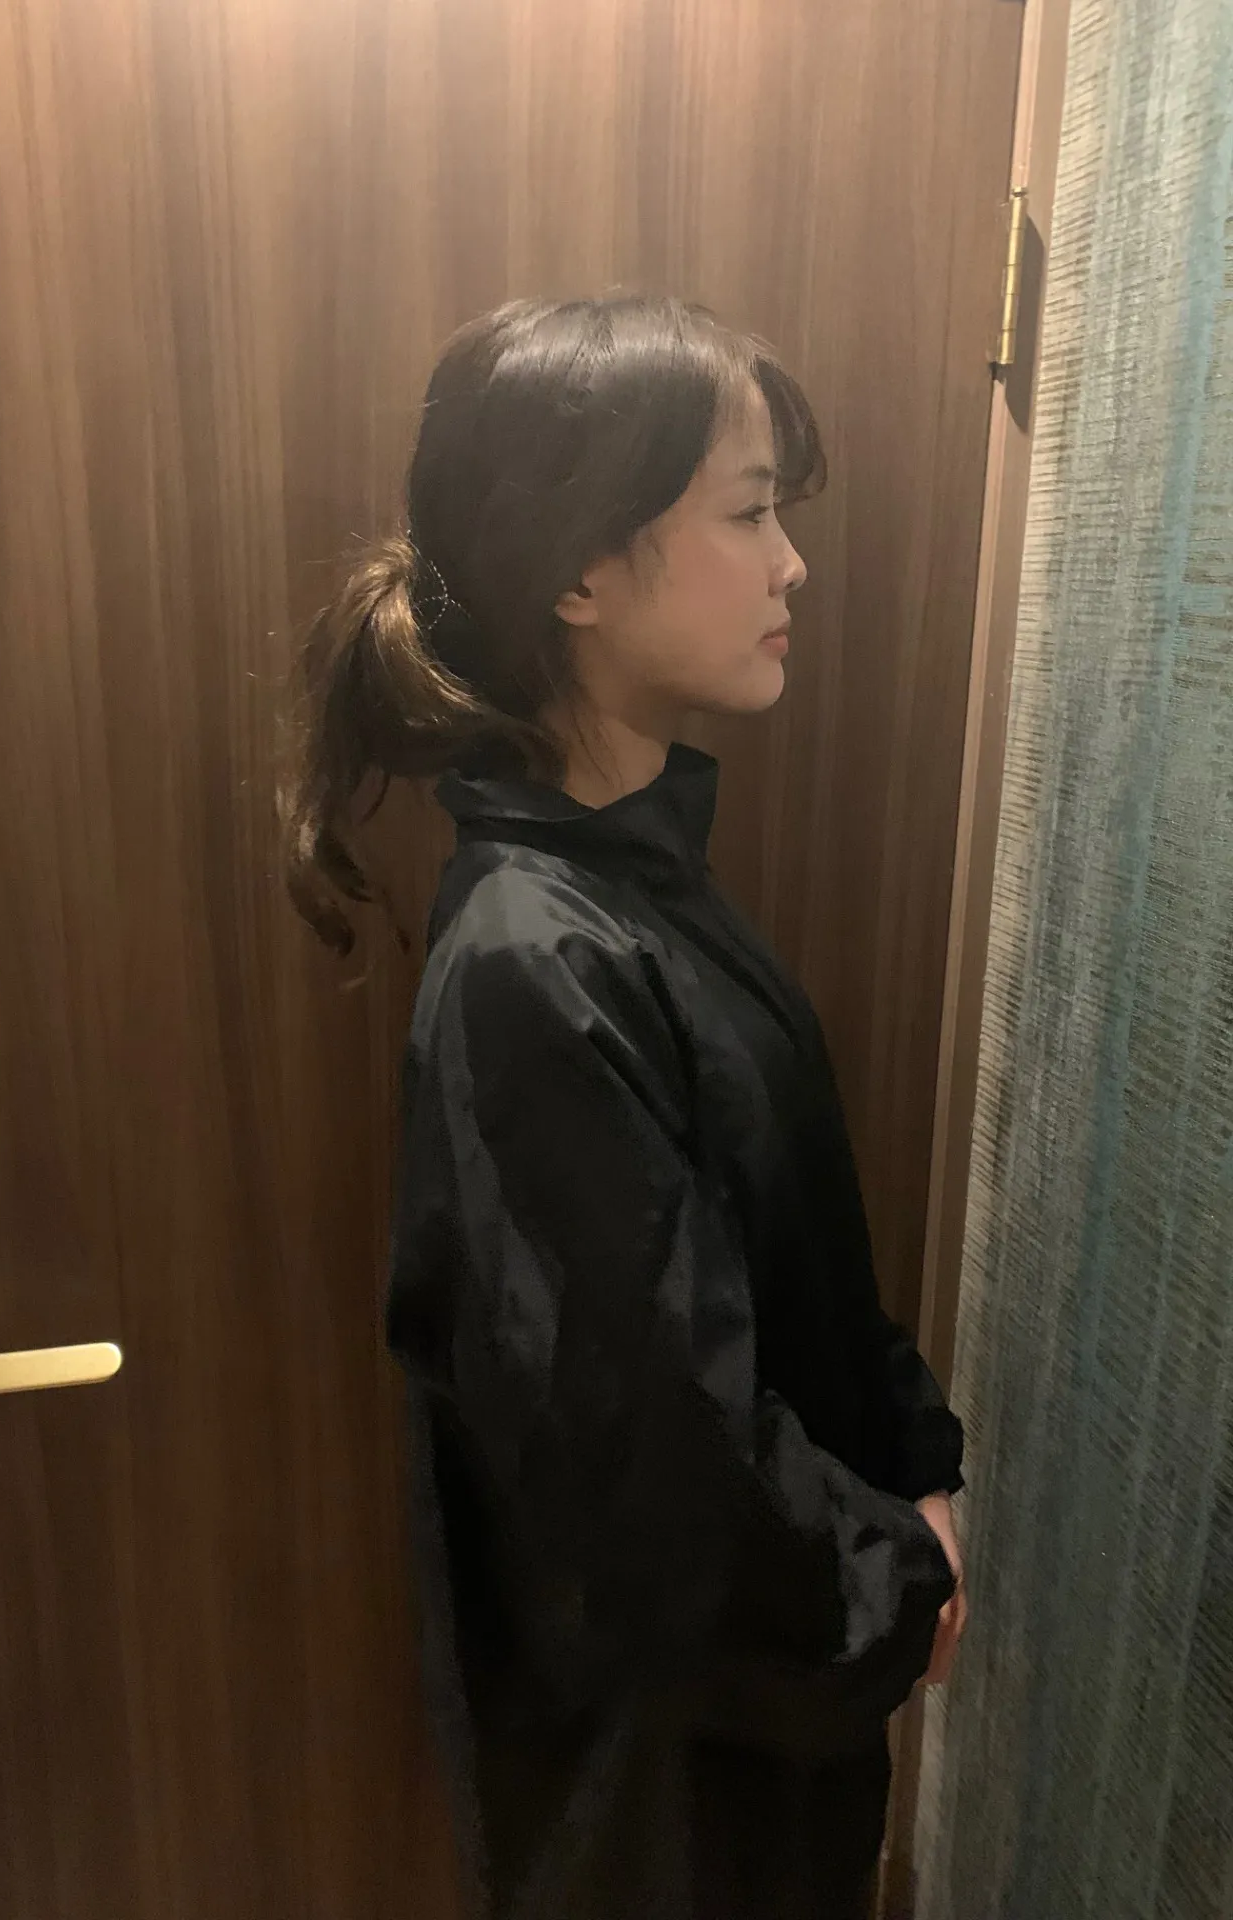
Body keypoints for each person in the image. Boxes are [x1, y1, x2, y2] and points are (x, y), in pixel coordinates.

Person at [282, 295, 968, 1919]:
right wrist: (899, 1574)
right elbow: (651, 1478)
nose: (794, 564)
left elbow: (796, 1264)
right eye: (749, 511)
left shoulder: (640, 891)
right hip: (662, 1807)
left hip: (748, 1749)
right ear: (578, 573)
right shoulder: (537, 965)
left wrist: (915, 1470)